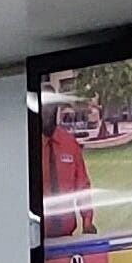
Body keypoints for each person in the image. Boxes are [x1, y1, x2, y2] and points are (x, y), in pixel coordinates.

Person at [41, 103, 95, 240]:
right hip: (36, 236)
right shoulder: (27, 145)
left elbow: (82, 186)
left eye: (50, 107)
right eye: (43, 108)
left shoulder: (70, 144)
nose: (47, 112)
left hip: (66, 234)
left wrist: (87, 222)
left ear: (56, 110)